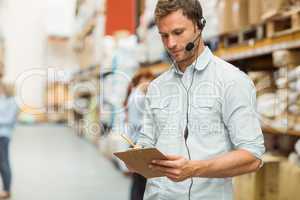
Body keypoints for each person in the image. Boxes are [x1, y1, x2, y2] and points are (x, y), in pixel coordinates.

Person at [133, 0, 266, 199]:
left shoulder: (232, 81)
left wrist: (194, 168)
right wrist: (137, 153)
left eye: (178, 33)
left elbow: (252, 156)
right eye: (164, 36)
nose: (171, 44)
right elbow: (146, 141)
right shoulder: (156, 87)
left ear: (199, 25)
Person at [123, 70, 155, 200]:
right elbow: (140, 123)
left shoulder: (133, 95)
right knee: (141, 182)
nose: (149, 84)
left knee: (138, 181)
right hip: (139, 145)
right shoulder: (138, 96)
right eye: (147, 80)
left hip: (135, 143)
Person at [0, 83, 18, 199]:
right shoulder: (2, 100)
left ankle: (7, 190)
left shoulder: (12, 102)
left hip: (3, 136)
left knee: (3, 163)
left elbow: (9, 120)